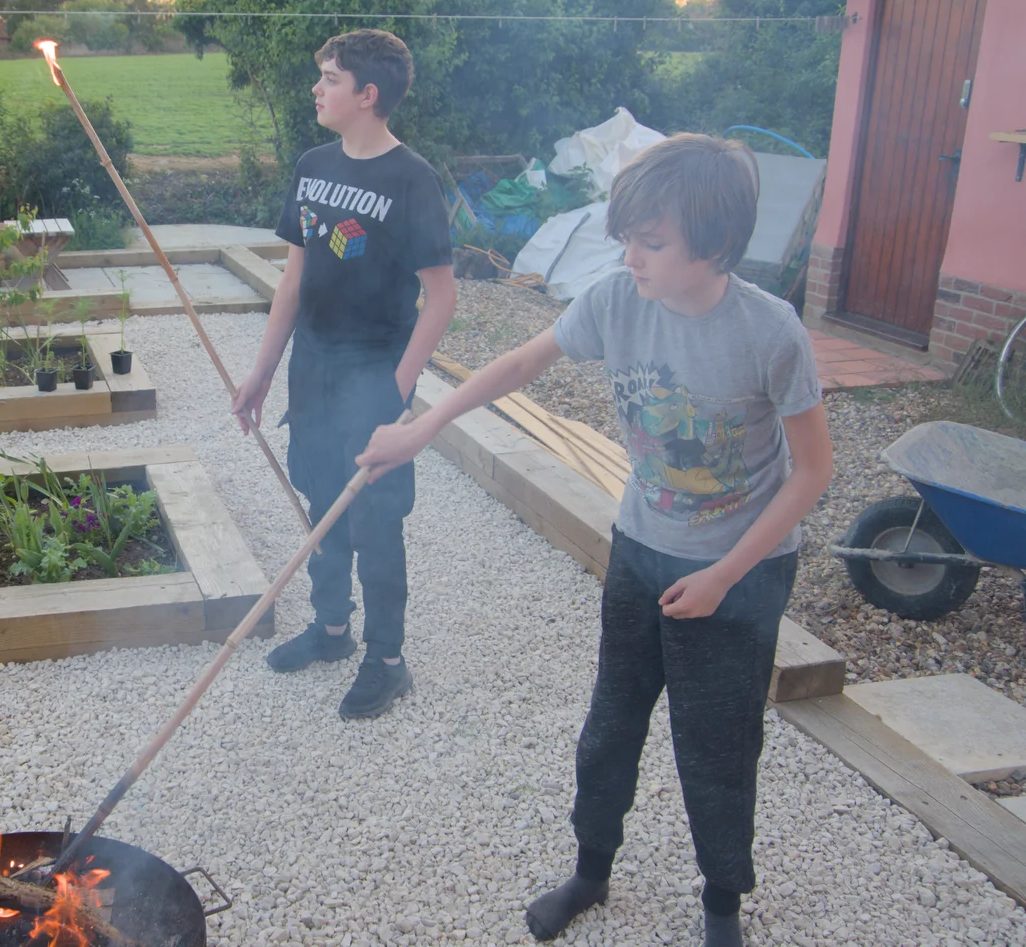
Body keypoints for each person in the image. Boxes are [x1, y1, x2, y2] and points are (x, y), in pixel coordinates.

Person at [357, 134, 833, 945]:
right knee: (612, 723)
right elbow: (519, 364)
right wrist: (422, 426)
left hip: (739, 574)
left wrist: (723, 574)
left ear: (715, 245)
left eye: (652, 243)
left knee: (716, 746)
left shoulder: (770, 332)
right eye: (628, 237)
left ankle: (722, 903)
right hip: (642, 549)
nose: (631, 256)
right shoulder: (617, 300)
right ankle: (591, 869)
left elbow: (813, 472)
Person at [232, 28, 456, 720]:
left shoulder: (413, 180)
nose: (316, 88)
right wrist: (262, 373)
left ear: (369, 94)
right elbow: (295, 276)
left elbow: (442, 296)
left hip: (374, 373)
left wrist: (397, 391)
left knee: (377, 520)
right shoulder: (312, 164)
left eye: (329, 78)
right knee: (321, 501)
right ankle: (331, 630)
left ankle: (386, 661)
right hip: (315, 368)